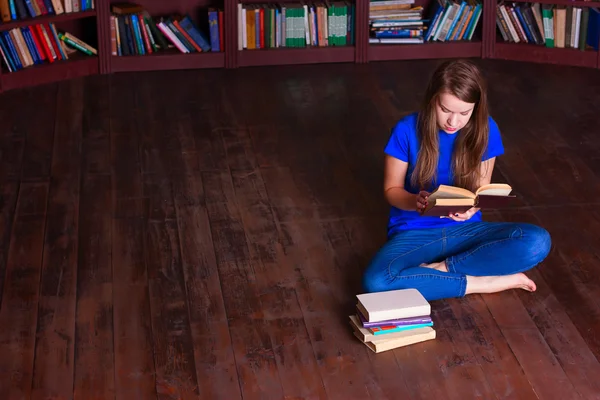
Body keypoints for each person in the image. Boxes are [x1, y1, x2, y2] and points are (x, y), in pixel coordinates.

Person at [362, 59, 552, 302]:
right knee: (376, 282)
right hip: (414, 232)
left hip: (466, 231)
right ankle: (480, 282)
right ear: (432, 99)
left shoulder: (486, 129)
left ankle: (442, 271)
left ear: (476, 107)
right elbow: (391, 190)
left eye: (464, 113)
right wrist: (415, 202)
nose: (454, 122)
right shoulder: (406, 129)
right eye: (445, 110)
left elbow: (482, 190)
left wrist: (474, 207)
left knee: (537, 241)